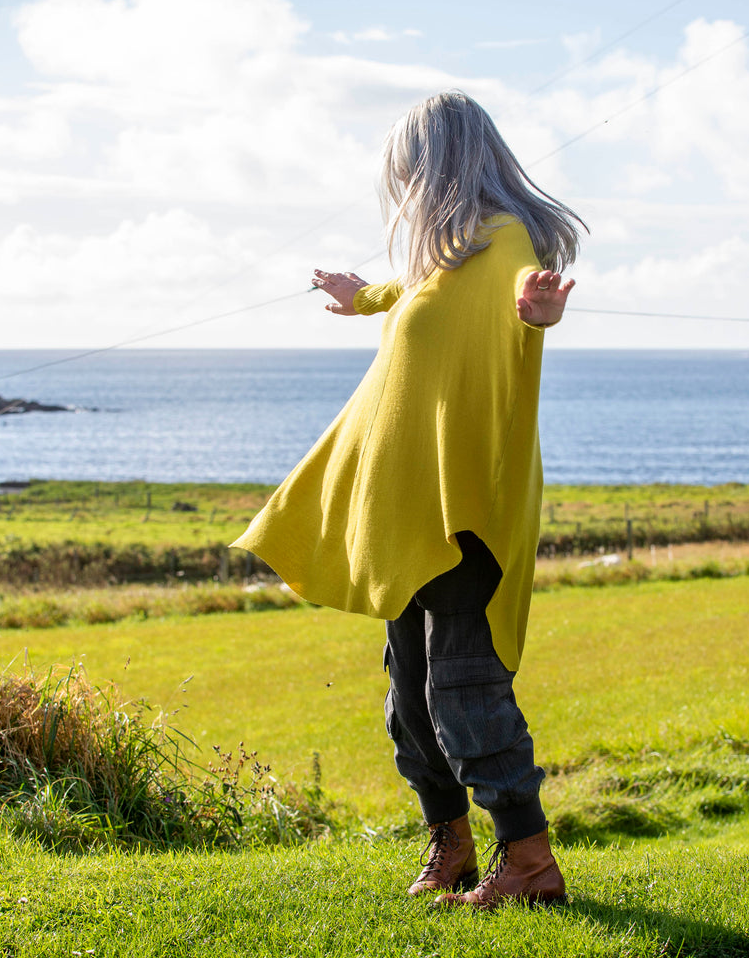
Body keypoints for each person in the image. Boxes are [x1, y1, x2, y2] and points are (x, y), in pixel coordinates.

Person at [232, 90, 585, 909]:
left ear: (441, 163)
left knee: (462, 688)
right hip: (411, 510)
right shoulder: (450, 255)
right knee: (411, 696)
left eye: (410, 170)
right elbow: (433, 304)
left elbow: (516, 308)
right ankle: (452, 846)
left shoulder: (506, 242)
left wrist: (537, 318)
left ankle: (529, 862)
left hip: (461, 510)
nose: (404, 186)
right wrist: (370, 298)